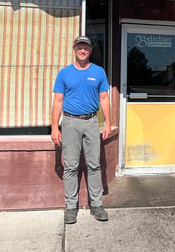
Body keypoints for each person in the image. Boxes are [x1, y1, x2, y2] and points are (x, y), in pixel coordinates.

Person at [51, 35, 112, 224]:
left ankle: (96, 204)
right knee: (70, 165)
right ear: (74, 49)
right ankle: (71, 207)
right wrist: (55, 126)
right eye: (79, 47)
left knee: (94, 164)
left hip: (92, 122)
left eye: (86, 47)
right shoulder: (64, 73)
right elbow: (58, 101)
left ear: (90, 50)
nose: (83, 50)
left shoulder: (99, 72)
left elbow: (104, 99)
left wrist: (108, 123)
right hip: (70, 122)